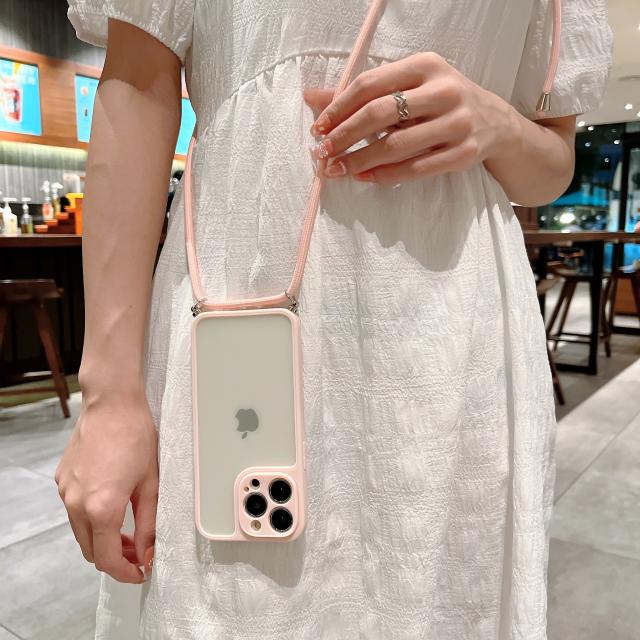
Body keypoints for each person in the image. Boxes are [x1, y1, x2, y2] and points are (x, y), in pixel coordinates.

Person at [56, 0, 612, 637]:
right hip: (236, 292)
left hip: (451, 330)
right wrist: (108, 395)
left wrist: (499, 125)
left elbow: (553, 158)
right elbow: (136, 80)